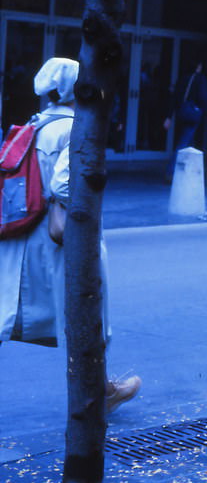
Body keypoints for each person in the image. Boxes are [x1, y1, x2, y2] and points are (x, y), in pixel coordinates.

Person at [0, 57, 140, 413]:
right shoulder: (77, 126)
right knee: (89, 312)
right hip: (62, 236)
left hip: (27, 232)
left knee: (15, 309)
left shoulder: (34, 124)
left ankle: (99, 390)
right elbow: (64, 182)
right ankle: (99, 393)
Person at [163, 58, 207, 181]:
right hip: (193, 114)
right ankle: (171, 171)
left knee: (189, 141)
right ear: (198, 66)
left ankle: (188, 170)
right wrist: (201, 111)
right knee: (183, 143)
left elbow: (174, 98)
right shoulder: (200, 79)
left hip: (181, 113)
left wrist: (169, 117)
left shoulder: (182, 79)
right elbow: (203, 98)